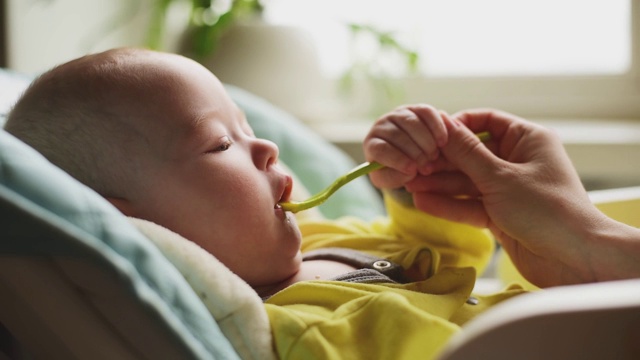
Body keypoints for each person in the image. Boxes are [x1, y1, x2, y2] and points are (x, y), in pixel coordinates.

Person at [2, 47, 635, 358]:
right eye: (221, 143)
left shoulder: (339, 236)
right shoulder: (296, 333)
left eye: (249, 127)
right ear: (135, 225)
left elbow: (448, 252)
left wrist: (423, 194)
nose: (270, 148)